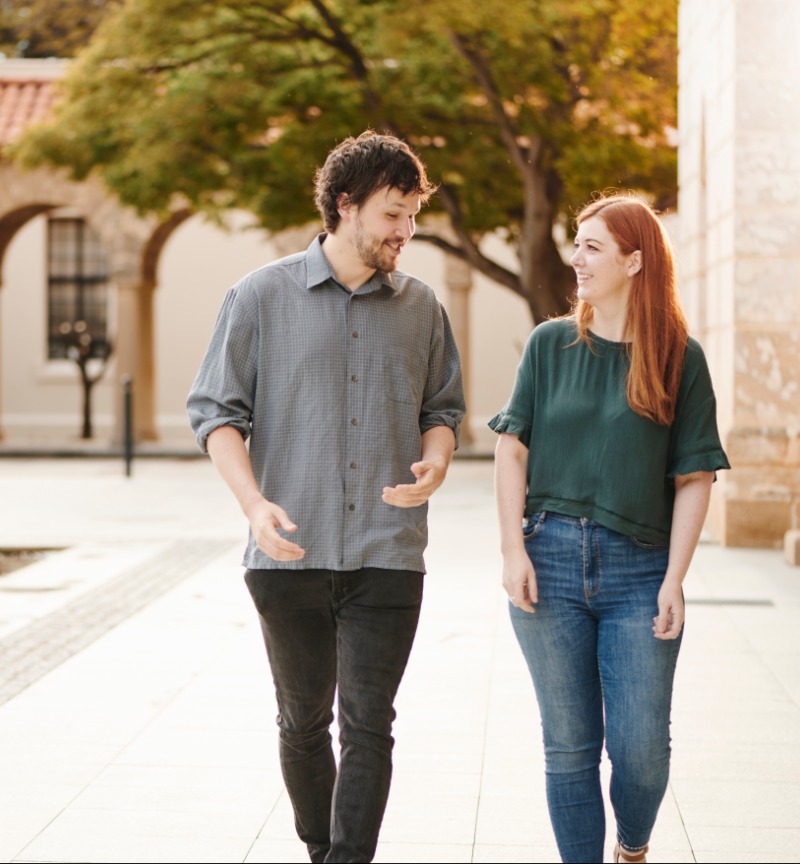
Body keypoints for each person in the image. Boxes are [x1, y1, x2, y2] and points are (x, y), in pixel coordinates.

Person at [187, 130, 465, 863]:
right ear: (346, 207)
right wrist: (253, 505)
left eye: (412, 216)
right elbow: (216, 412)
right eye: (392, 214)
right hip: (289, 553)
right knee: (303, 722)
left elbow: (443, 411)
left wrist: (435, 463)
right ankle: (323, 851)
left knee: (369, 721)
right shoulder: (258, 297)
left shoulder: (421, 307)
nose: (405, 232)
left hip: (389, 550)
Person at [490, 192, 730, 864]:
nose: (577, 257)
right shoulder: (549, 344)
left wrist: (675, 579)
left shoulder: (682, 359)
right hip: (550, 560)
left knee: (640, 749)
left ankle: (633, 845)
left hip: (640, 569)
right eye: (577, 242)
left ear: (635, 260)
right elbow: (513, 449)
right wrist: (513, 549)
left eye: (592, 246)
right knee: (568, 746)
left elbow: (695, 478)